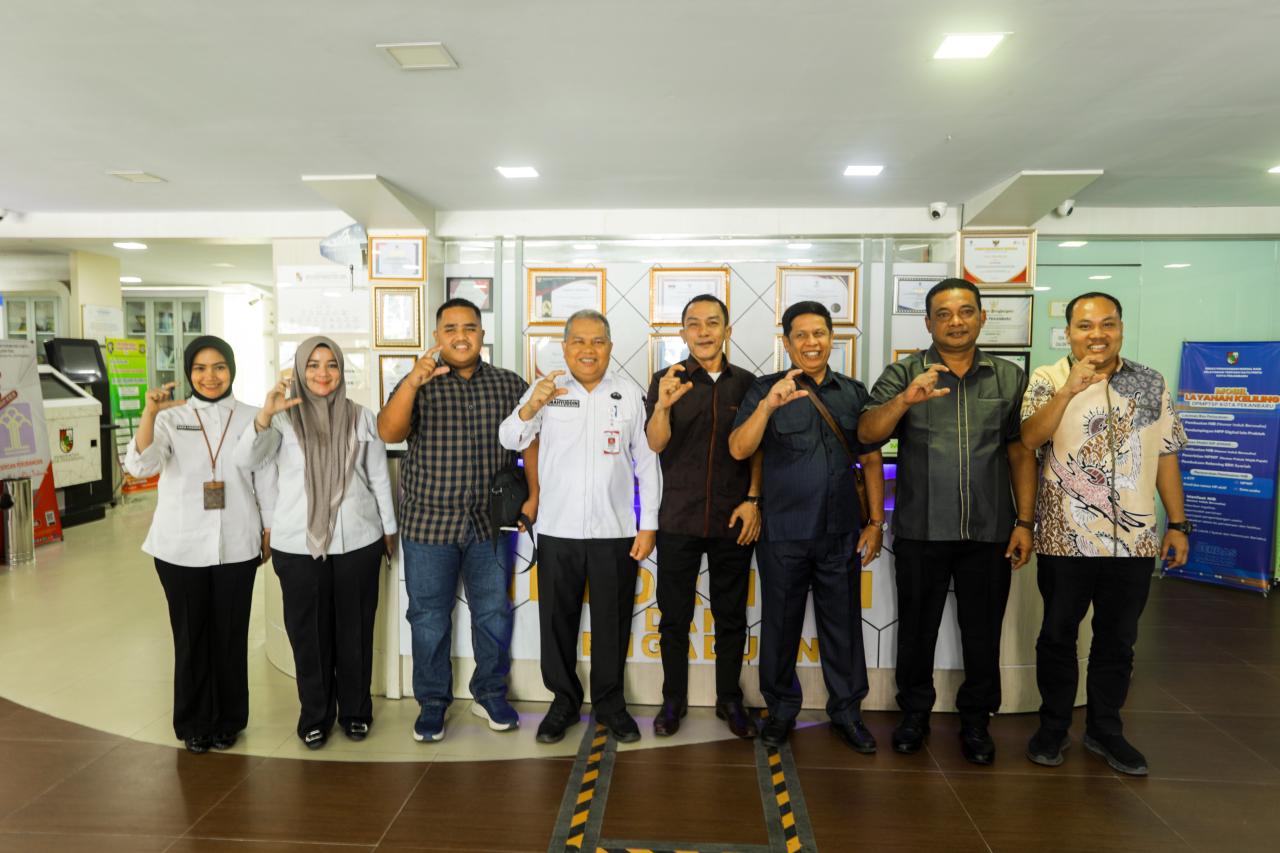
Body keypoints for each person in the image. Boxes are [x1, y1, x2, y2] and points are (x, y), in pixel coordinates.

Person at [858, 278, 1036, 765]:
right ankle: (914, 714)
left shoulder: (1009, 378)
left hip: (990, 529)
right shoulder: (904, 372)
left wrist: (1024, 521)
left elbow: (1021, 452)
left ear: (981, 317)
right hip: (921, 529)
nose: (955, 322)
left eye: (965, 312)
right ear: (928, 322)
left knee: (983, 632)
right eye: (943, 314)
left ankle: (977, 720)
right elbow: (867, 432)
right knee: (917, 631)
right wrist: (904, 400)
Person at [1019, 292, 1190, 776]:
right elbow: (1029, 439)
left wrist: (1178, 524)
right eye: (1085, 325)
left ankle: (1105, 729)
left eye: (1107, 324)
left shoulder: (1150, 382)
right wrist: (1068, 390)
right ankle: (1053, 726)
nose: (1097, 334)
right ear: (1068, 333)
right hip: (1065, 537)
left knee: (1118, 639)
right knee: (1058, 634)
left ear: (1121, 328)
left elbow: (1166, 455)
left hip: (1133, 542)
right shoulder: (1047, 378)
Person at [377, 298, 538, 743]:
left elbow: (530, 440)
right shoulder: (417, 382)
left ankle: (490, 693)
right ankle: (432, 702)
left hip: (490, 524)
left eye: (469, 327)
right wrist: (412, 382)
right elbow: (389, 432)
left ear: (482, 334)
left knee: (493, 613)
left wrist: (534, 495)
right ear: (437, 336)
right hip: (428, 524)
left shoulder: (509, 384)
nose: (460, 336)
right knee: (428, 617)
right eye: (450, 329)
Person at [498, 309, 662, 745]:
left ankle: (611, 705)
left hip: (616, 532)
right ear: (565, 346)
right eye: (579, 341)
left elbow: (648, 463)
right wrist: (533, 405)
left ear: (610, 347)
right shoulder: (547, 390)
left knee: (612, 622)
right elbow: (510, 438)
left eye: (598, 341)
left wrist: (648, 525)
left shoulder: (629, 394)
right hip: (558, 529)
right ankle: (563, 703)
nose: (588, 350)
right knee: (557, 621)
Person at [728, 301, 885, 752]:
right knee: (780, 626)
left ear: (832, 338)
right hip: (782, 532)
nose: (811, 343)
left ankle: (847, 712)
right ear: (787, 342)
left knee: (843, 627)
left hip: (840, 532)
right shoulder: (765, 389)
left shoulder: (853, 392)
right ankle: (780, 711)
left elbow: (871, 458)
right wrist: (767, 408)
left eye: (819, 333)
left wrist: (876, 522)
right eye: (801, 335)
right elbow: (739, 449)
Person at [236, 336, 398, 750]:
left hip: (358, 538)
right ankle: (315, 716)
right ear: (299, 370)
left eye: (331, 365)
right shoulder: (282, 419)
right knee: (309, 635)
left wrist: (389, 528)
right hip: (298, 544)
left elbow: (378, 477)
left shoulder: (362, 417)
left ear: (342, 370)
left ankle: (356, 712)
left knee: (355, 631)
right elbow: (247, 461)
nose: (322, 373)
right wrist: (264, 416)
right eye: (312, 365)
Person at [124, 336, 276, 754]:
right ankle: (194, 722)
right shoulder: (170, 417)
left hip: (237, 541)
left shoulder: (254, 416)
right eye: (200, 368)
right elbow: (141, 465)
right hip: (180, 545)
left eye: (219, 367)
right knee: (191, 637)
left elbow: (265, 474)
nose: (210, 377)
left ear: (232, 370)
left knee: (230, 635)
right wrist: (150, 413)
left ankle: (229, 720)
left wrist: (269, 529)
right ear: (189, 372)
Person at [645, 294, 762, 739]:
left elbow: (757, 449)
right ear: (682, 333)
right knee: (674, 618)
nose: (703, 331)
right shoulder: (666, 379)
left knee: (730, 616)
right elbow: (655, 443)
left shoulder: (748, 384)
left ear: (727, 331)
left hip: (732, 518)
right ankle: (672, 700)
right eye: (693, 323)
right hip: (678, 517)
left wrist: (753, 499)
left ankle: (729, 699)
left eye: (713, 323)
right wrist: (662, 405)